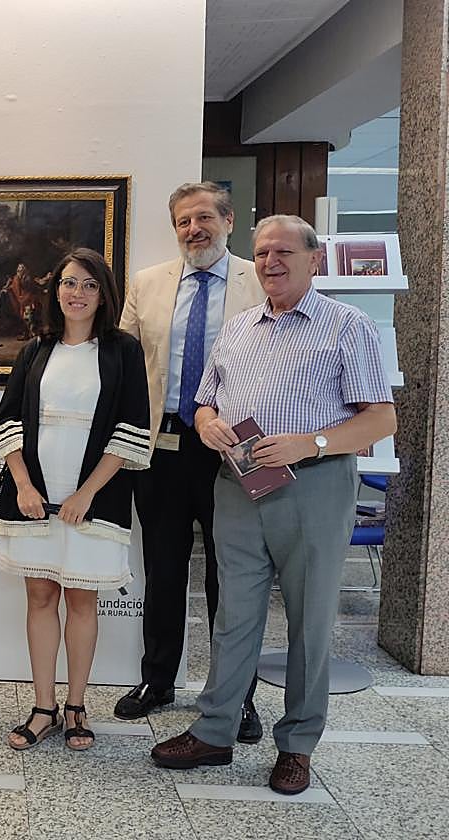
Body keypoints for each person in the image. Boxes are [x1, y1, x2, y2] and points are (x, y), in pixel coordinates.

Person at [151, 215, 396, 795]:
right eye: (262, 253)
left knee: (309, 620)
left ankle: (297, 745)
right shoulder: (238, 328)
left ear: (315, 259)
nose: (270, 262)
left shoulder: (348, 326)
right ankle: (215, 730)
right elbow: (205, 401)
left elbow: (381, 418)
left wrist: (309, 443)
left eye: (284, 251)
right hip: (238, 486)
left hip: (314, 486)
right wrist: (207, 424)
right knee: (233, 615)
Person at [115, 181, 267, 741]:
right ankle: (157, 680)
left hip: (236, 448)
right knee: (162, 569)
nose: (193, 229)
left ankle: (237, 696)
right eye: (183, 221)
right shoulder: (147, 284)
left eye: (204, 218)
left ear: (229, 221)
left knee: (234, 576)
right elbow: (124, 362)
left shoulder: (260, 280)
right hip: (164, 447)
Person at [0, 247, 151, 751]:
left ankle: (77, 705)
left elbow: (132, 429)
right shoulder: (35, 349)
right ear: (54, 290)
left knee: (82, 600)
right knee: (40, 598)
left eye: (88, 284)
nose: (77, 293)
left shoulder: (123, 351)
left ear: (103, 295)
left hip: (94, 499)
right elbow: (6, 422)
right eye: (68, 283)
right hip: (34, 498)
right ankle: (44, 707)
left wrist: (87, 493)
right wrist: (23, 485)